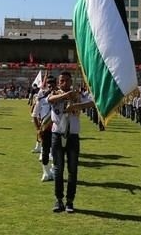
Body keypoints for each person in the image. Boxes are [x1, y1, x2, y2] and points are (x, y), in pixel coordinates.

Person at [48, 71, 94, 213]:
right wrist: (65, 96)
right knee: (58, 169)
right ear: (58, 82)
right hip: (57, 134)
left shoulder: (77, 94)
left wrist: (76, 106)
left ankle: (70, 201)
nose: (65, 83)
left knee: (73, 170)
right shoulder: (54, 93)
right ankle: (59, 199)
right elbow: (50, 100)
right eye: (62, 80)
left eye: (68, 80)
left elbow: (92, 103)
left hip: (73, 135)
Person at [32, 75, 56, 181]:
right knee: (45, 152)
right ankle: (46, 172)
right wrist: (38, 129)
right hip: (45, 130)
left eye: (53, 86)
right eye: (49, 86)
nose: (51, 88)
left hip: (58, 129)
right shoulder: (41, 101)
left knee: (57, 152)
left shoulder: (61, 99)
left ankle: (54, 171)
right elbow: (34, 116)